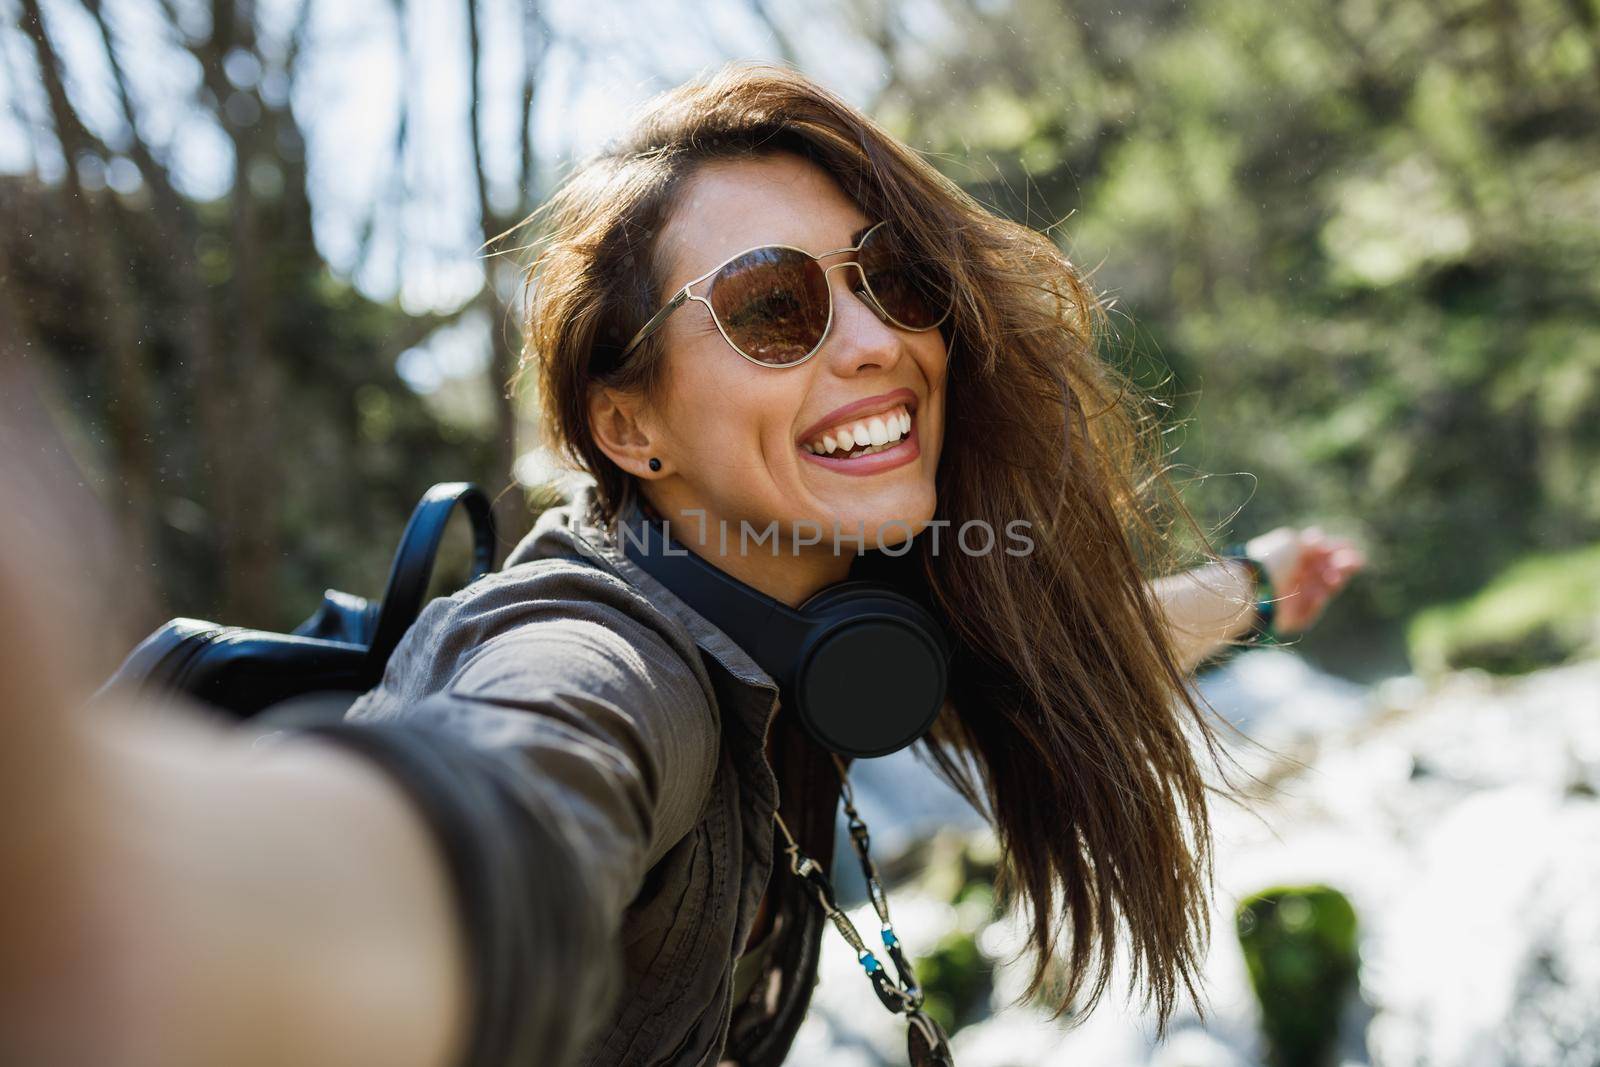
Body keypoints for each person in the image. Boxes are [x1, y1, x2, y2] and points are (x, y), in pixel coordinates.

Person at [0, 61, 1365, 1067]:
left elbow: (1019, 665)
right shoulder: (594, 658)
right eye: (776, 307)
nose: (875, 339)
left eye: (893, 277)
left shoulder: (821, 615)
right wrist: (114, 887)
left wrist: (1254, 587)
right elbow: (498, 811)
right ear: (629, 425)